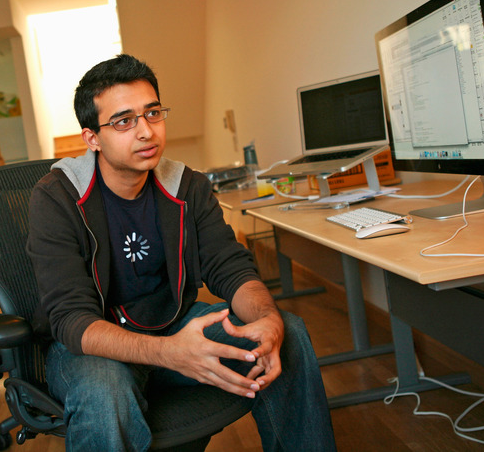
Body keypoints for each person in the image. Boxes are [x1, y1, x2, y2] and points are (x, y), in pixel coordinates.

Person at [28, 54, 336, 451]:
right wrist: (169, 353)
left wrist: (268, 319)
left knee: (287, 334)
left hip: (169, 325)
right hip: (92, 348)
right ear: (92, 138)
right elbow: (72, 320)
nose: (145, 131)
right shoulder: (56, 197)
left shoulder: (187, 186)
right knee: (104, 391)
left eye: (152, 113)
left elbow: (231, 268)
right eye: (124, 121)